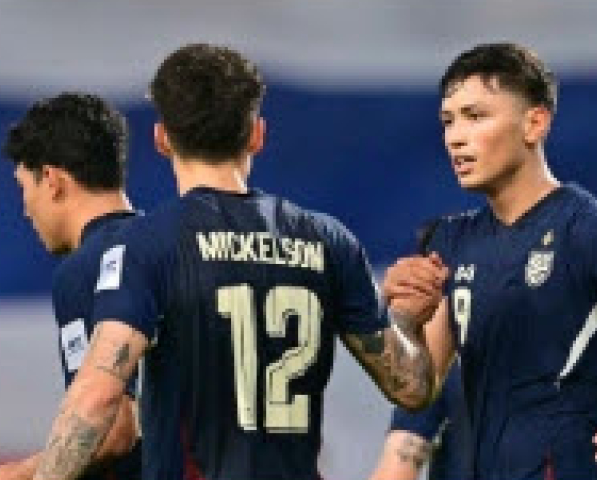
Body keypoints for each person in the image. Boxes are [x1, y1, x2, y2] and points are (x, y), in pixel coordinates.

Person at [26, 44, 446, 480]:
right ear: (257, 135)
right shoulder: (328, 240)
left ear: (162, 139)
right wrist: (406, 320)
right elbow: (412, 388)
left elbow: (96, 398)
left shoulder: (144, 245)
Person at [383, 43, 597, 479]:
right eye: (448, 121)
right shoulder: (449, 242)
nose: (455, 137)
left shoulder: (591, 232)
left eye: (475, 116)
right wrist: (403, 320)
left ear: (535, 123)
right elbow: (417, 390)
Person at [0, 93, 141, 480]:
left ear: (52, 181)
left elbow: (112, 428)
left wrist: (19, 474)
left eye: (24, 187)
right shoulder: (171, 249)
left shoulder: (87, 268)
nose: (26, 208)